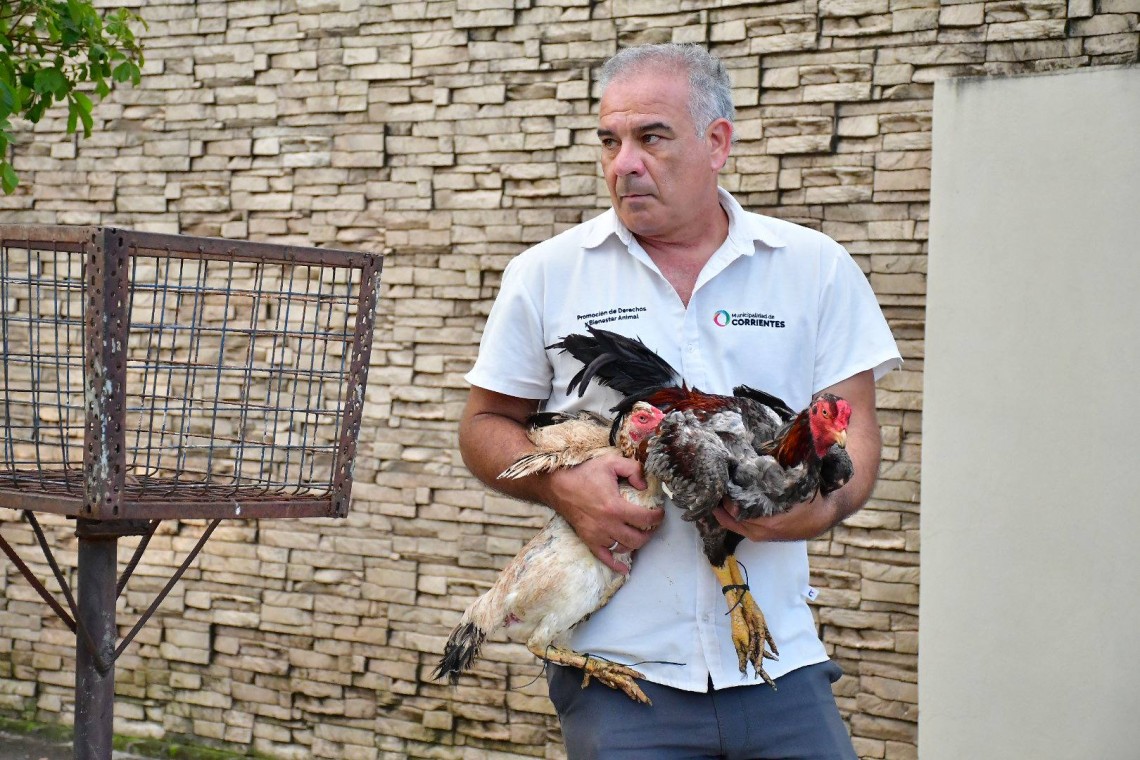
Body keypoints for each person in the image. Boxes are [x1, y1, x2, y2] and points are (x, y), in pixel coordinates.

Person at [459, 43, 901, 759]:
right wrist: (562, 484)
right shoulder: (546, 273)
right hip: (621, 672)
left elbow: (859, 434)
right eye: (610, 141)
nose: (624, 163)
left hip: (781, 664)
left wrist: (818, 511)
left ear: (717, 142)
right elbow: (484, 425)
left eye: (651, 137)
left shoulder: (814, 267)